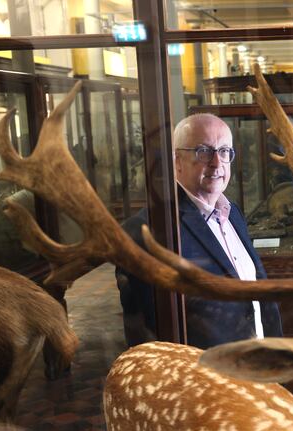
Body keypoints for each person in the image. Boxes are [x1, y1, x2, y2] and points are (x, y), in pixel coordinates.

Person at [116, 113, 282, 349]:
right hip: (206, 377)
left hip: (256, 368)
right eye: (203, 151)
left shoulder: (232, 212)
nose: (217, 163)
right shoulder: (149, 230)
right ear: (176, 161)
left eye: (225, 151)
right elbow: (146, 332)